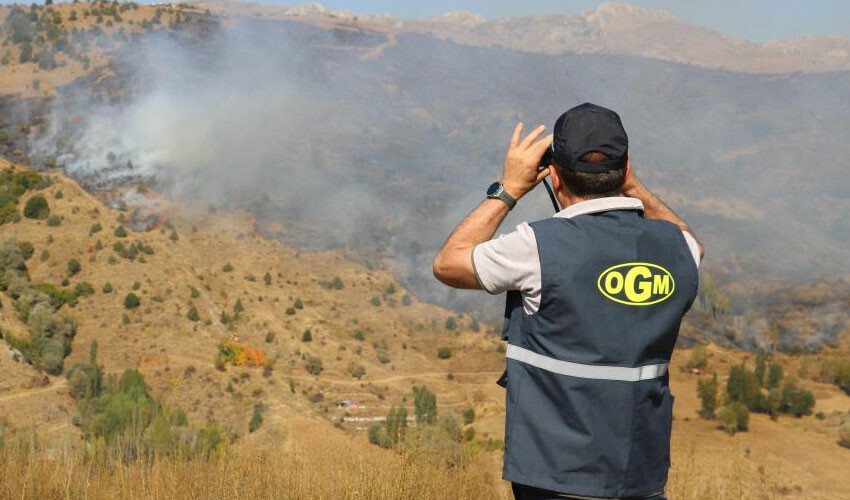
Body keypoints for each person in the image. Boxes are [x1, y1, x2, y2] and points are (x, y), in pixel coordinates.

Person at [433, 103, 704, 500]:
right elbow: (685, 234)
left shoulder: (538, 246)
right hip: (641, 476)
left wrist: (508, 189)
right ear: (626, 167)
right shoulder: (680, 249)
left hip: (555, 477)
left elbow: (448, 263)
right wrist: (633, 187)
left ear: (554, 175)